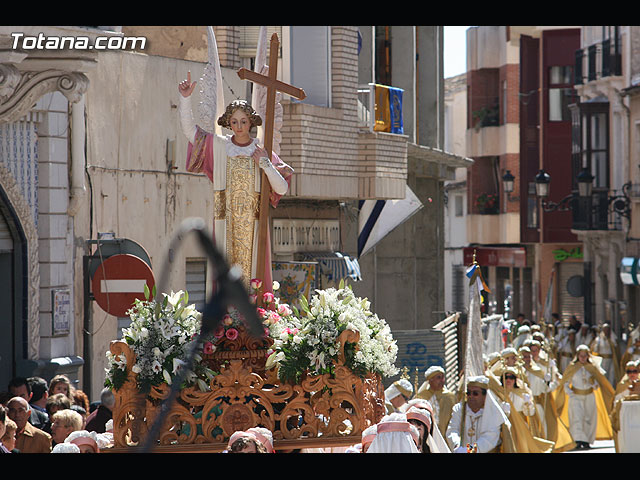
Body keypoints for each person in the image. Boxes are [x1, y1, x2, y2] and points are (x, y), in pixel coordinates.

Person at [178, 69, 293, 289]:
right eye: (234, 122)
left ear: (251, 122)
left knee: (255, 279)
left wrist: (266, 164)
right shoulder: (219, 146)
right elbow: (190, 132)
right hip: (224, 222)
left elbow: (282, 188)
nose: (239, 127)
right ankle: (224, 320)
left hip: (255, 224)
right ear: (228, 123)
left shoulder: (261, 150)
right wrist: (185, 99)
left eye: (243, 121)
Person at [555, 344, 614, 450]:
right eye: (581, 356)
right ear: (577, 356)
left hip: (589, 396)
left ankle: (587, 440)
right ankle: (578, 440)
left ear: (588, 356)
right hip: (576, 396)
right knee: (577, 418)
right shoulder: (572, 367)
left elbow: (598, 384)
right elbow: (565, 382)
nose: (583, 358)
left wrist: (593, 383)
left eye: (585, 356)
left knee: (589, 418)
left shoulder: (592, 368)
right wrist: (570, 393)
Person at [445, 375, 514, 453]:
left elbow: (488, 440)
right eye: (468, 393)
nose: (471, 396)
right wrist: (457, 447)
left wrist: (468, 450)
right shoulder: (459, 409)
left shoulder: (494, 413)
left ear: (485, 396)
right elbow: (452, 430)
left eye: (475, 393)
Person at [413, 366, 457, 436]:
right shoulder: (421, 397)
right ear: (430, 380)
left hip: (446, 436)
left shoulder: (450, 397)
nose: (442, 380)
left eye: (443, 377)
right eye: (438, 378)